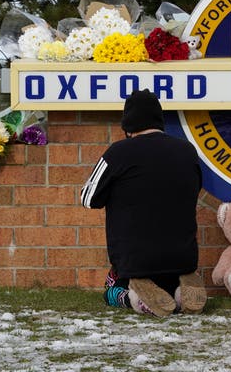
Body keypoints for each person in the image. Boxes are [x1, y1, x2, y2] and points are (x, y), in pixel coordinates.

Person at [81, 89, 206, 317]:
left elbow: (88, 199)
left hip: (135, 259)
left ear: (128, 126)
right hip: (183, 257)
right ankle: (181, 293)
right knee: (172, 283)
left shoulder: (118, 153)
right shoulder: (187, 151)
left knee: (111, 290)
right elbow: (195, 189)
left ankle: (135, 297)